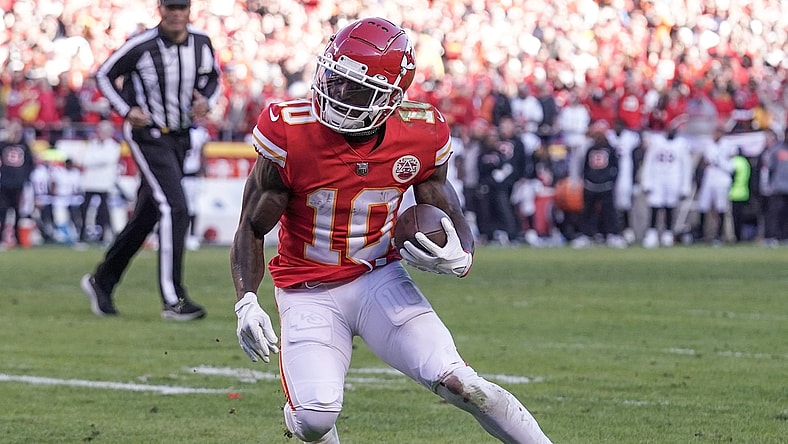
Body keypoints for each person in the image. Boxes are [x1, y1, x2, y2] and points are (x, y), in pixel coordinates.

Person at [230, 18, 552, 444]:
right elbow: (251, 225)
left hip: (378, 278)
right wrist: (247, 301)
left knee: (464, 384)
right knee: (314, 419)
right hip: (307, 288)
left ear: (390, 98)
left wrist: (462, 254)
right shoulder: (290, 130)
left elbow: (446, 203)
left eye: (354, 88)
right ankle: (303, 412)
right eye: (334, 77)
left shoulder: (420, 131)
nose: (336, 92)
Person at [81, 0, 221, 319]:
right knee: (176, 207)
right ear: (160, 10)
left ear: (189, 10)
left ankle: (102, 279)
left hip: (180, 136)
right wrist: (126, 110)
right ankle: (174, 300)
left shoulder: (201, 42)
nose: (176, 13)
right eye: (170, 7)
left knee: (148, 215)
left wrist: (207, 101)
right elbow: (103, 74)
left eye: (181, 7)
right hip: (148, 135)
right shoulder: (142, 45)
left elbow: (213, 77)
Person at [640, 120, 693, 248]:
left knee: (670, 207)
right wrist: (646, 181)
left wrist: (685, 186)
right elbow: (648, 162)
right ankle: (652, 233)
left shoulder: (681, 144)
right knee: (654, 206)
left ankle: (668, 233)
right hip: (657, 178)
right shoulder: (656, 142)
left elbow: (686, 166)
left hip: (674, 179)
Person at [77, 120, 121, 245]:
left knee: (103, 211)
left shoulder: (114, 146)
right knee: (84, 209)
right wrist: (95, 160)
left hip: (104, 183)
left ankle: (103, 237)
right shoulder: (92, 143)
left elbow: (108, 159)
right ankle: (82, 236)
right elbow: (84, 159)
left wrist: (93, 160)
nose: (100, 133)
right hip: (89, 182)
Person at [0, 119, 35, 249]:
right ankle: (2, 239)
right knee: (3, 212)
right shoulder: (3, 144)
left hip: (18, 184)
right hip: (5, 183)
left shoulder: (24, 145)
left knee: (18, 212)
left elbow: (30, 164)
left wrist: (25, 178)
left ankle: (18, 239)